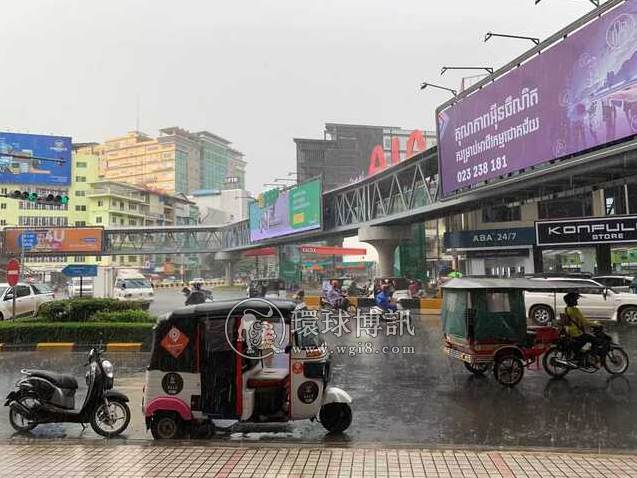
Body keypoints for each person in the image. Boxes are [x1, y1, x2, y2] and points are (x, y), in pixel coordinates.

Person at [563, 292, 600, 364]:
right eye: (575, 299)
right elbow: (584, 320)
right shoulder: (574, 310)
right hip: (576, 333)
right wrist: (596, 324)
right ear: (571, 300)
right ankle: (591, 357)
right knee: (595, 340)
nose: (577, 301)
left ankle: (582, 354)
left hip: (569, 332)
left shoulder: (567, 309)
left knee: (586, 339)